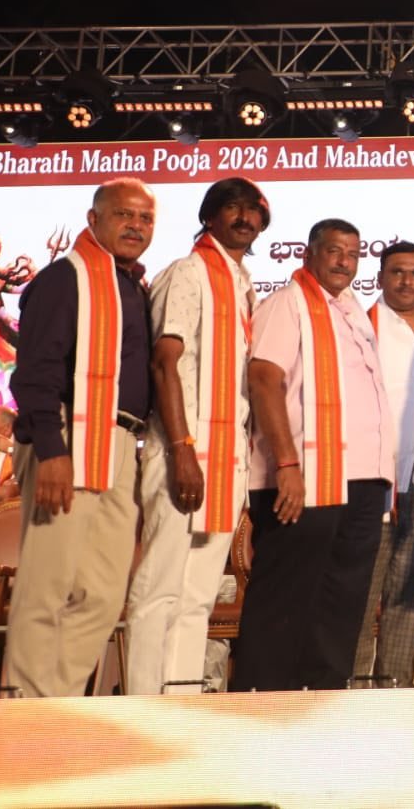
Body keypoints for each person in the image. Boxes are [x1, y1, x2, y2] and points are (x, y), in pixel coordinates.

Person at [6, 178, 156, 697]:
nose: (136, 225)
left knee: (104, 594)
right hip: (68, 435)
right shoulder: (64, 279)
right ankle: (25, 707)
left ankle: (61, 704)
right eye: (124, 214)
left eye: (145, 218)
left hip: (120, 443)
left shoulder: (130, 286)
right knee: (48, 584)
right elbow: (35, 372)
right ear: (93, 220)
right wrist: (52, 449)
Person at [231, 218, 394, 692]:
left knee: (343, 600)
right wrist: (286, 464)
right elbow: (264, 380)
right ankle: (262, 701)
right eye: (334, 251)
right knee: (286, 596)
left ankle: (322, 702)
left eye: (353, 254)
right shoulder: (287, 303)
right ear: (309, 254)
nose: (344, 262)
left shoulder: (353, 311)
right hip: (305, 476)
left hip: (362, 479)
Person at [125, 178, 265, 695]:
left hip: (226, 454)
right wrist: (183, 450)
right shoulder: (188, 272)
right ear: (209, 217)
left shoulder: (241, 282)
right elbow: (165, 363)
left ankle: (180, 696)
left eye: (253, 211)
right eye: (233, 208)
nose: (245, 218)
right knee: (160, 585)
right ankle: (144, 702)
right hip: (183, 447)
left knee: (199, 592)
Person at [353, 241, 414, 687]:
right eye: (397, 272)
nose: (407, 282)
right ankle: (351, 690)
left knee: (409, 597)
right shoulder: (360, 325)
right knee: (360, 594)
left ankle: (395, 691)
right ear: (380, 277)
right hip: (372, 481)